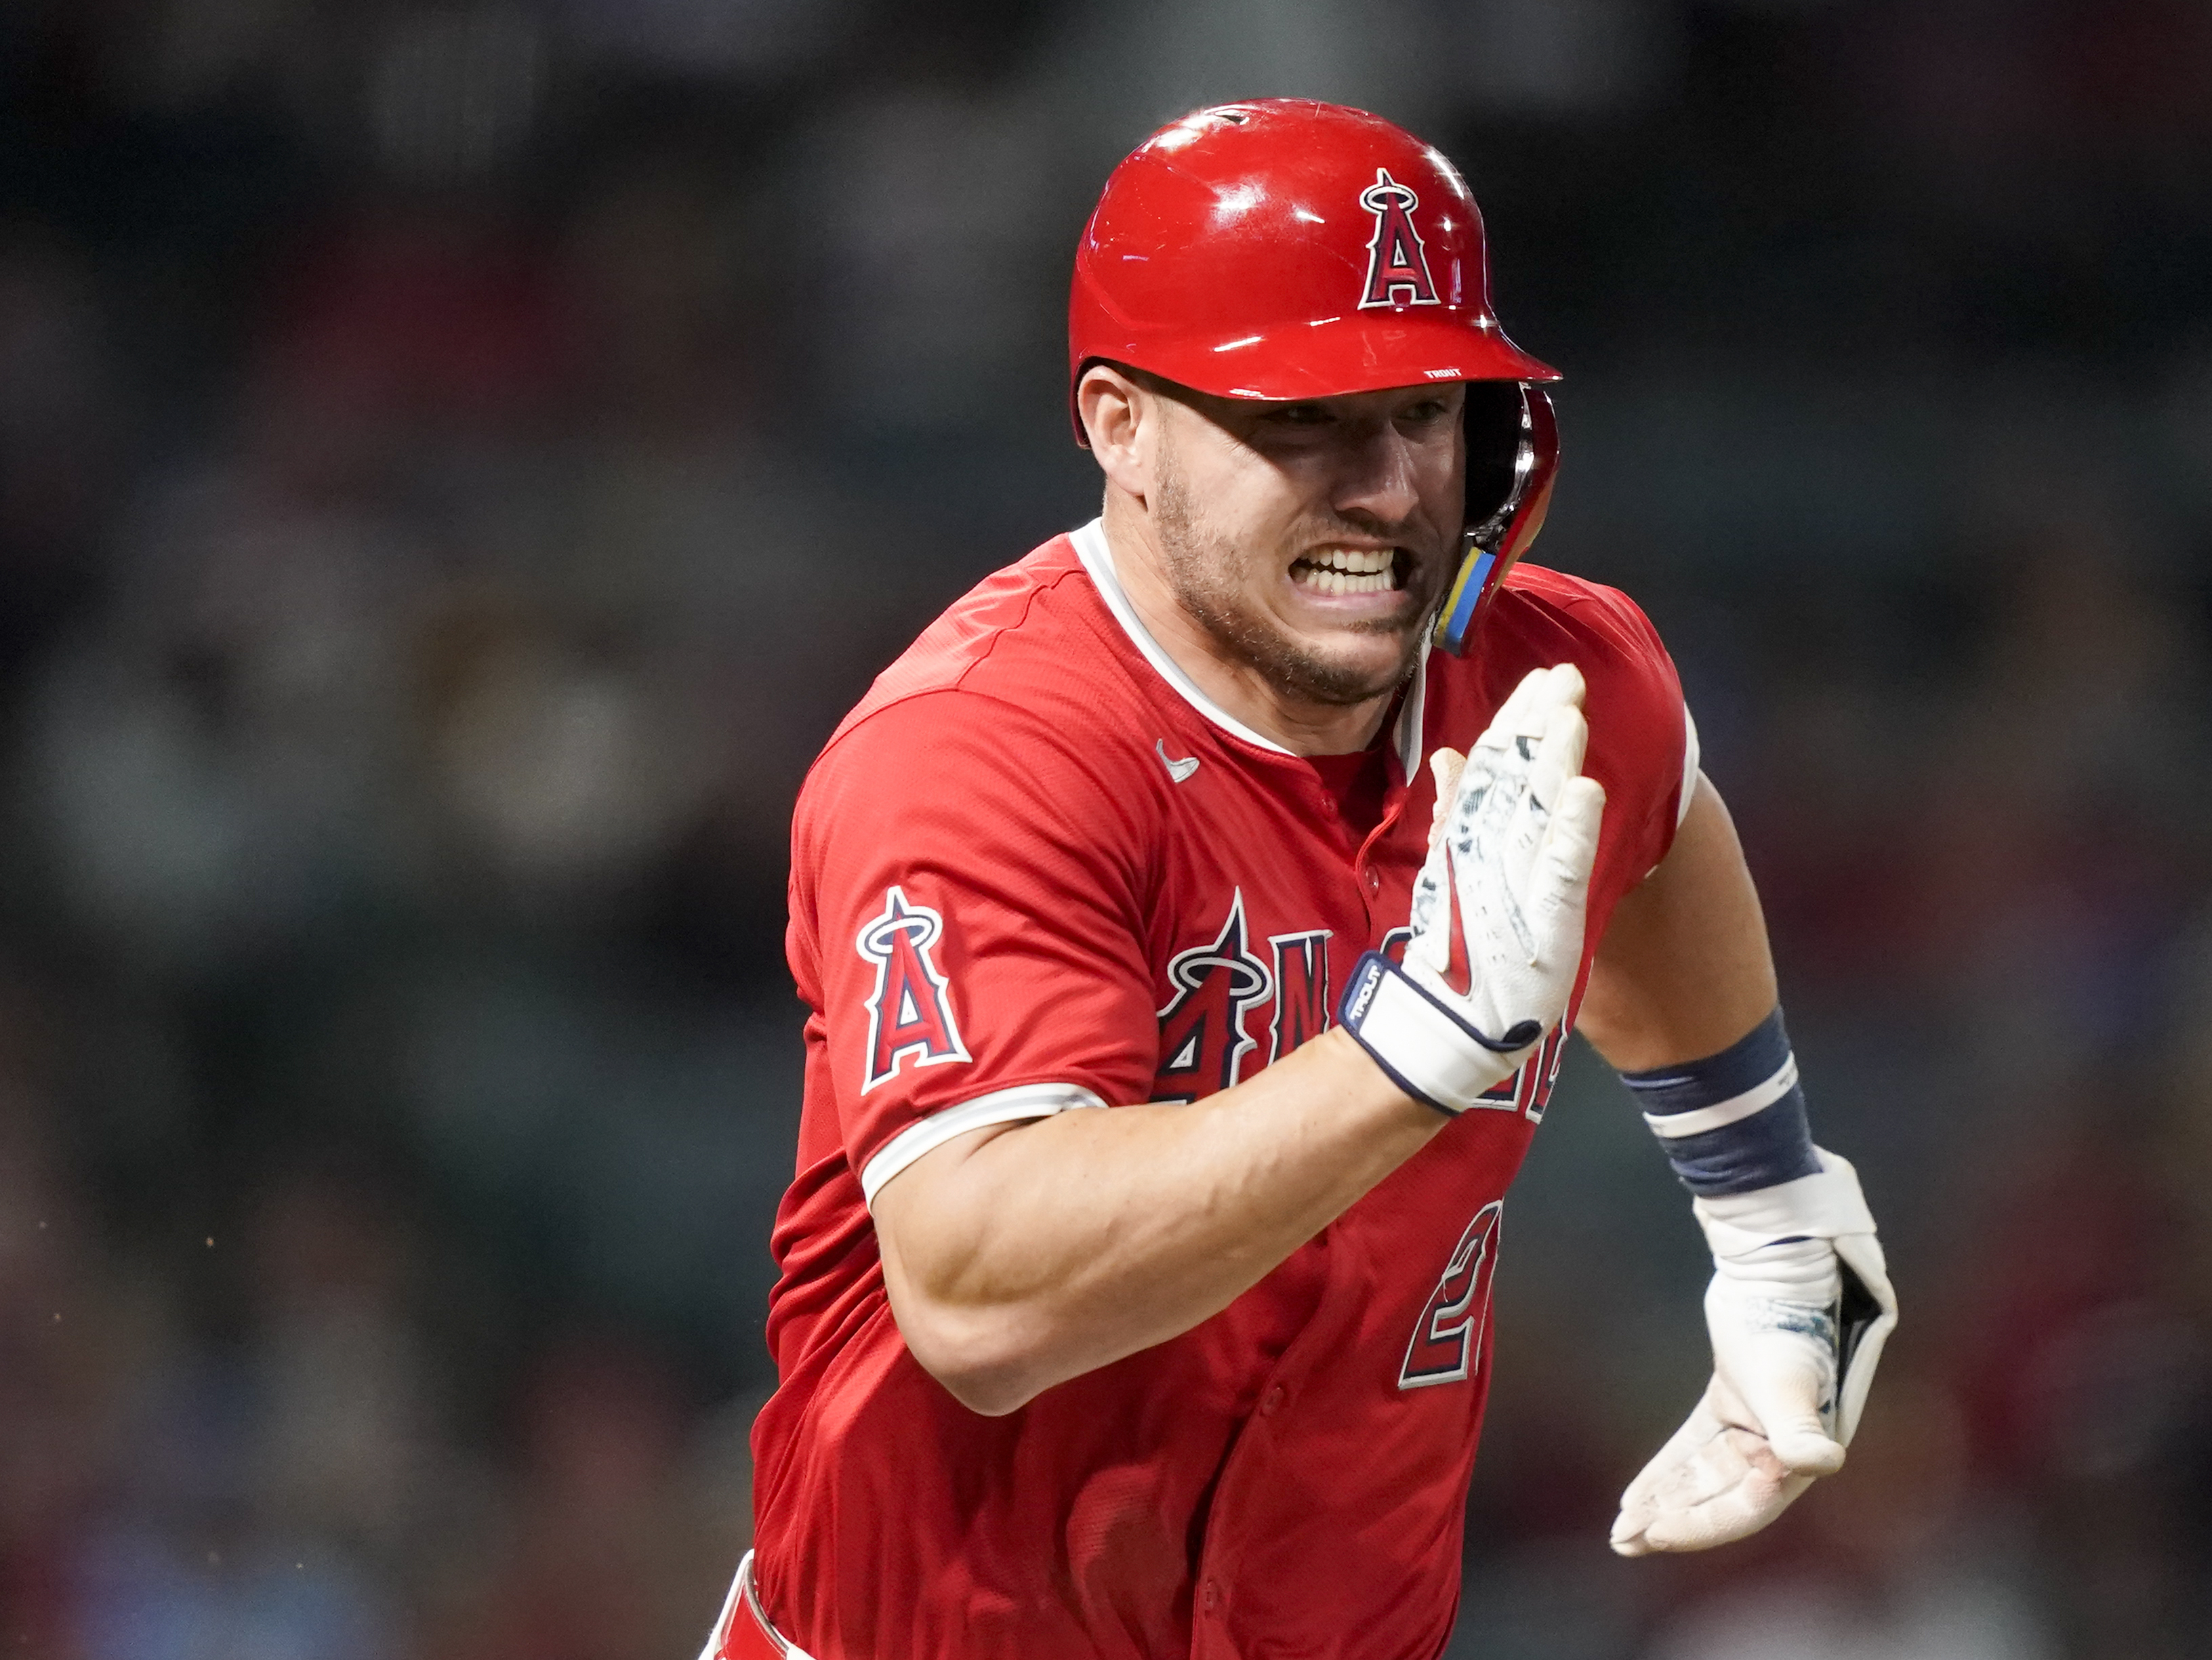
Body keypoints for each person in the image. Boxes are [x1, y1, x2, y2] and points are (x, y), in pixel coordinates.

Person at [698, 98, 1897, 1660]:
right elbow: (978, 1298)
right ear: (1119, 425)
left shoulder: (1549, 675)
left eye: (1424, 411)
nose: (1386, 487)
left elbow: (1659, 821)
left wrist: (1771, 1208)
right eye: (1303, 420)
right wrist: (1411, 1049)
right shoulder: (984, 750)